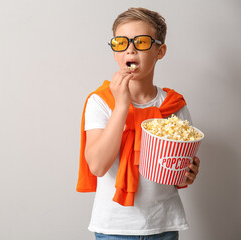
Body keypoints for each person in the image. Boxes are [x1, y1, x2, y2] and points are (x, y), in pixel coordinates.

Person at [76, 7, 200, 240]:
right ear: (115, 52)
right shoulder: (100, 102)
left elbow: (179, 168)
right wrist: (122, 105)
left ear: (160, 51)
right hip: (114, 228)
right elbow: (98, 166)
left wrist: (187, 173)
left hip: (163, 224)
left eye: (141, 42)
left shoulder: (174, 104)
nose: (130, 49)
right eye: (121, 42)